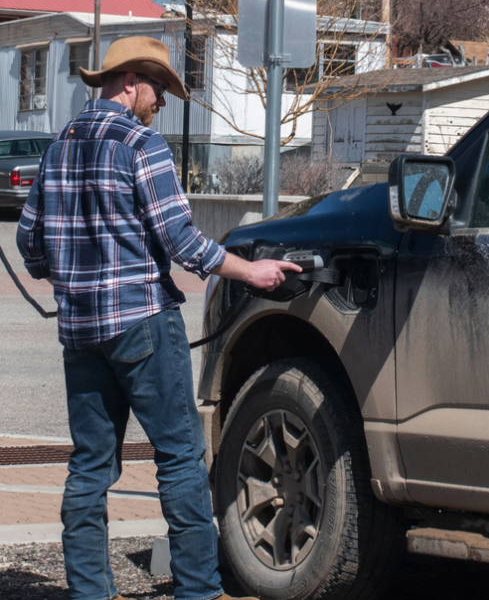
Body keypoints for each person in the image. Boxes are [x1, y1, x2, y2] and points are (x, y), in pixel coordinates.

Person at [16, 36, 301, 600]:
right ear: (129, 82)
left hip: (80, 332)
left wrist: (71, 272)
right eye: (159, 90)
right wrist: (253, 273)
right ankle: (198, 590)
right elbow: (180, 240)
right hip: (144, 321)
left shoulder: (57, 148)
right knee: (178, 457)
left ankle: (90, 592)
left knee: (91, 466)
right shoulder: (141, 144)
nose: (162, 103)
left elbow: (30, 243)